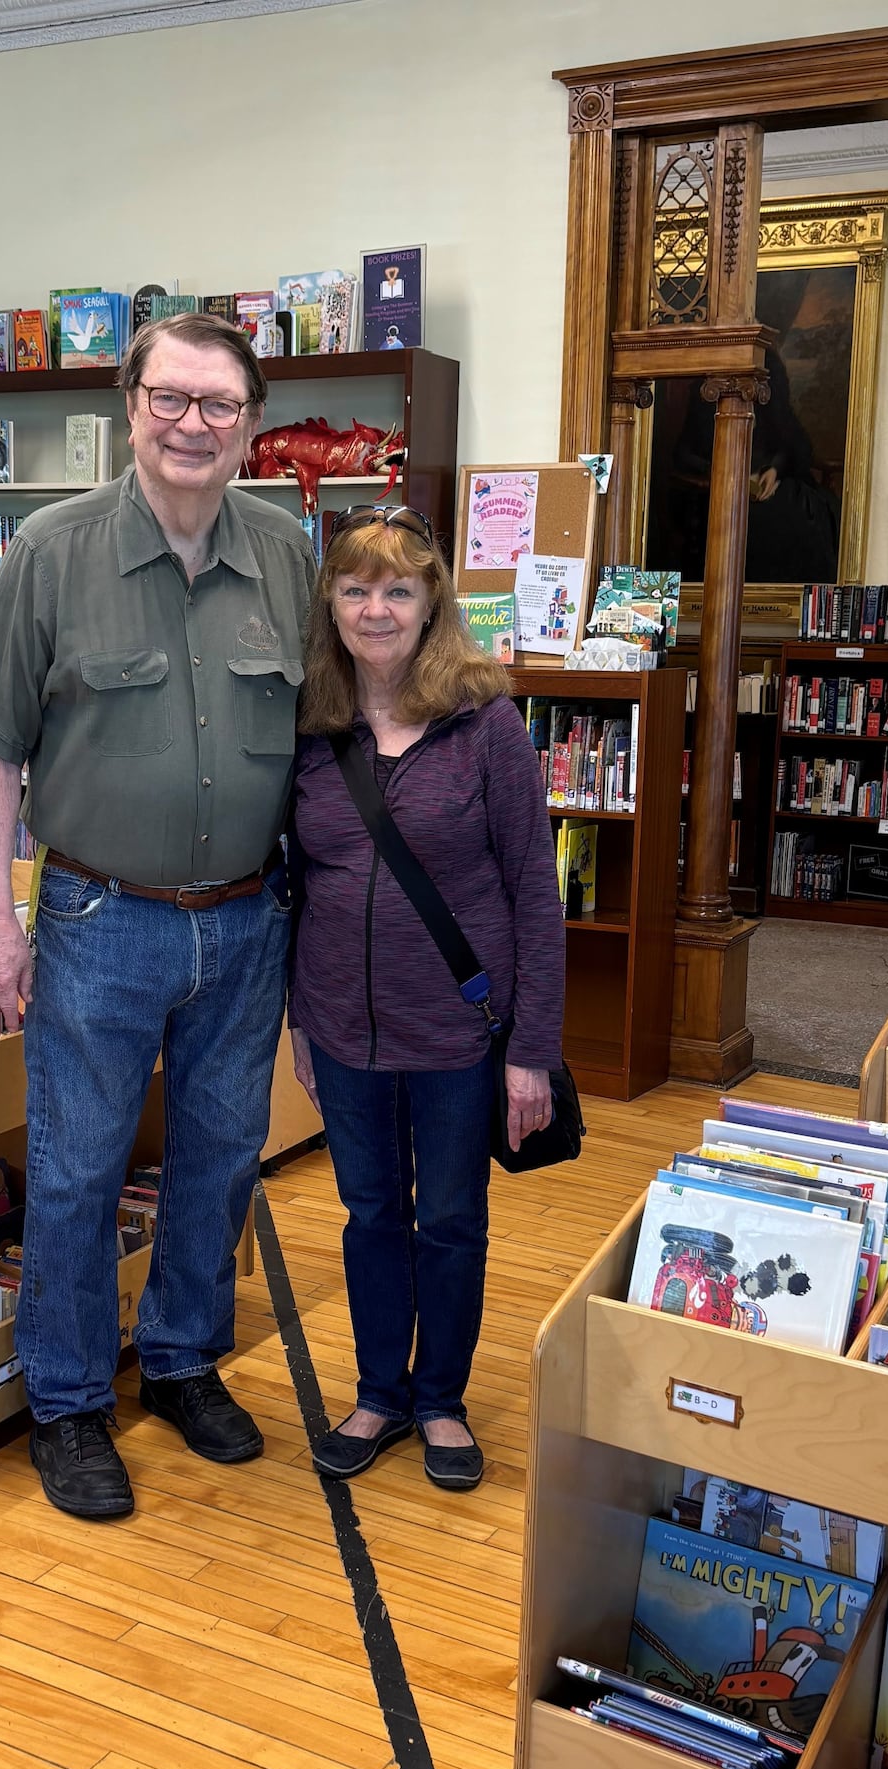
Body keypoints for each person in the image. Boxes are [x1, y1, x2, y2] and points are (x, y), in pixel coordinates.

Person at [0, 315, 315, 1522]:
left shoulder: (287, 552)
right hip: (100, 918)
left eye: (218, 404)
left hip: (249, 922)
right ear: (132, 404)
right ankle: (63, 1399)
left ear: (252, 421)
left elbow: (329, 745)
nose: (192, 424)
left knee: (217, 1163)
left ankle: (180, 1362)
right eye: (170, 399)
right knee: (73, 1171)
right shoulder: (49, 553)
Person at [287, 507, 565, 1492]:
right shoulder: (309, 723)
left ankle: (440, 1397)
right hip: (342, 1026)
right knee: (369, 1214)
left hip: (459, 1029)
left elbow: (535, 890)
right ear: (330, 601)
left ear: (430, 602)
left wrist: (531, 1048)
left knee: (448, 1214)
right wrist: (297, 1022)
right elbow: (295, 880)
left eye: (397, 589)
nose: (375, 607)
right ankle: (378, 1391)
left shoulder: (485, 723)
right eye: (356, 587)